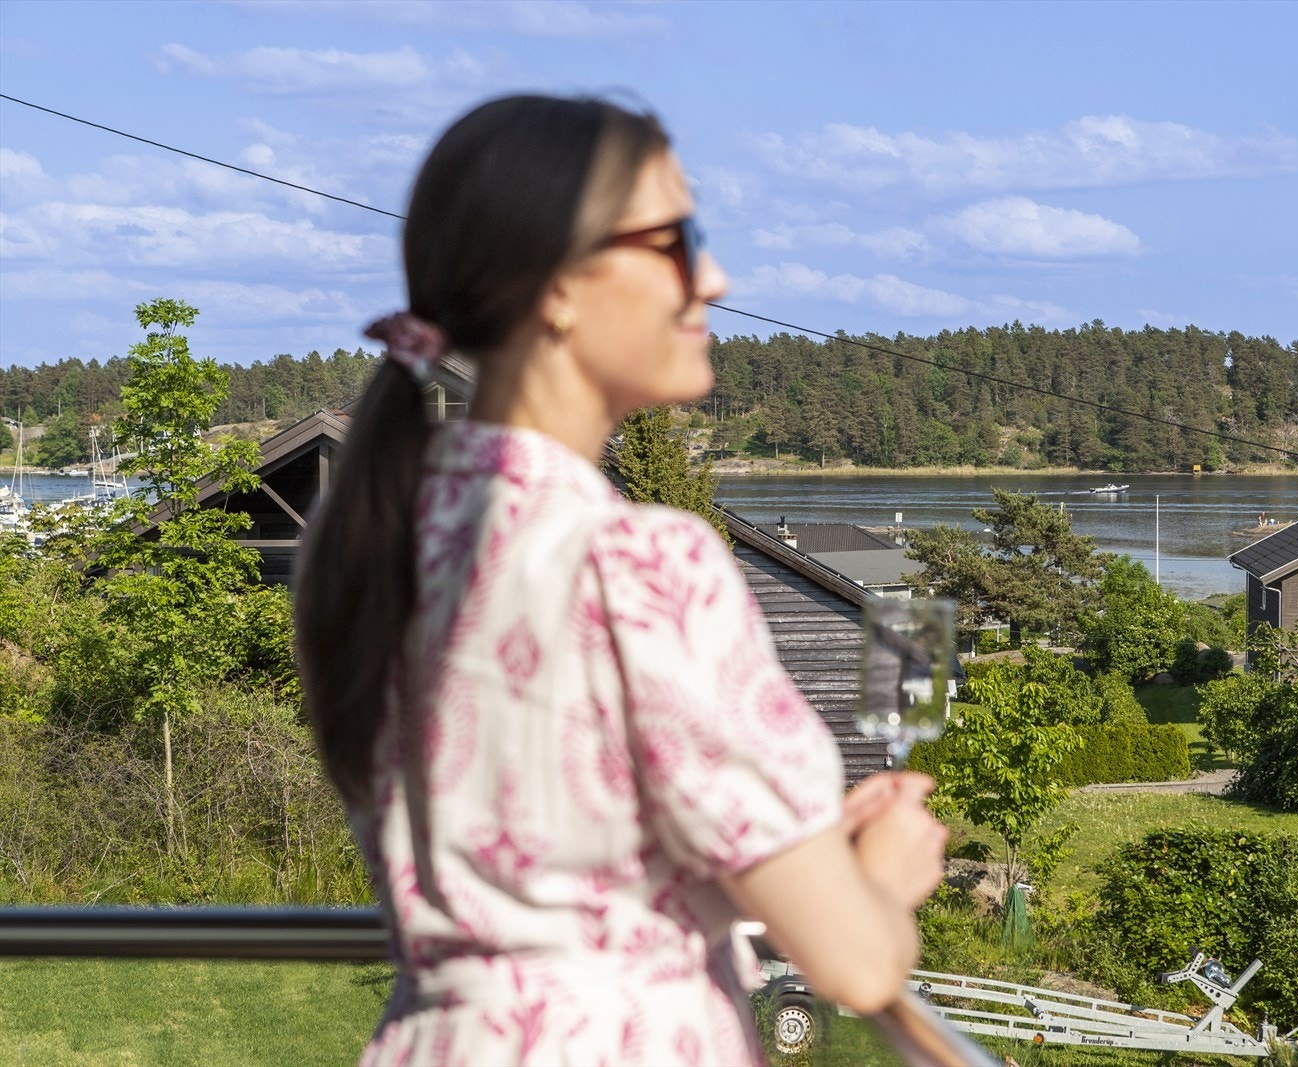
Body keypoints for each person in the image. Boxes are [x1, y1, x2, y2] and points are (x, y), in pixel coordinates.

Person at [293, 94, 949, 1065]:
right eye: (677, 239)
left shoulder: (370, 541)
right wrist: (882, 881)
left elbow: (565, 869)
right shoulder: (641, 564)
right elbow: (855, 966)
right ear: (558, 284)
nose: (715, 279)